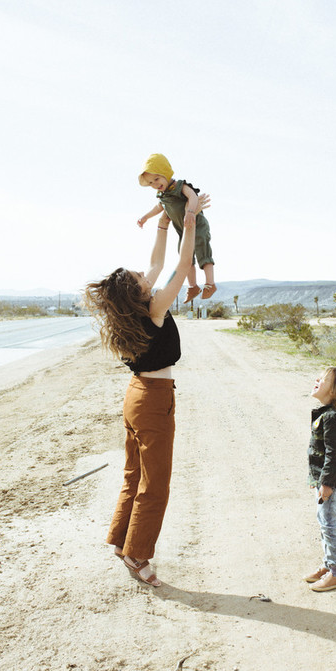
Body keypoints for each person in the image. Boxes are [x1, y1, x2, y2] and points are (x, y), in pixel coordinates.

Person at [83, 192, 209, 586]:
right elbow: (181, 264)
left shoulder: (135, 310)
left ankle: (123, 543)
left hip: (136, 397)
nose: (146, 273)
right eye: (140, 278)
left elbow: (157, 262)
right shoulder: (154, 309)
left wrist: (161, 222)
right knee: (155, 484)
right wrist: (187, 222)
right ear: (138, 291)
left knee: (134, 475)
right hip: (152, 402)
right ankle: (137, 555)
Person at [137, 153, 216, 304]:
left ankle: (210, 284)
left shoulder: (179, 186)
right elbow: (158, 208)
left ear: (165, 173)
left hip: (196, 225)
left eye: (157, 178)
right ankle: (193, 287)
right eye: (151, 183)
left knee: (202, 251)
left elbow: (192, 196)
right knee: (185, 257)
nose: (155, 184)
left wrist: (191, 211)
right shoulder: (163, 195)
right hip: (182, 230)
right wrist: (146, 217)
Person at [304, 367, 336, 592]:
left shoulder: (333, 417)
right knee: (324, 523)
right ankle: (328, 565)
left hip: (331, 484)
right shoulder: (326, 414)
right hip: (326, 482)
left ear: (333, 392)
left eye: (323, 380)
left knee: (329, 526)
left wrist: (326, 483)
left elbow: (335, 454)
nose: (317, 380)